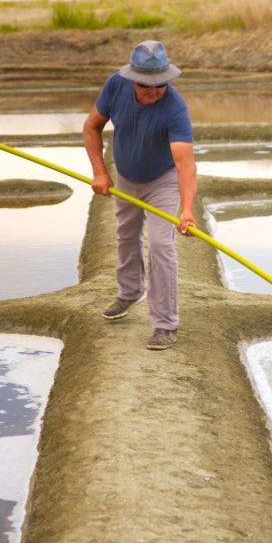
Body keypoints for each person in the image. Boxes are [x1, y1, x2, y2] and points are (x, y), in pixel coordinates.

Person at [83, 40, 197, 351]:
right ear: (132, 78)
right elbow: (91, 127)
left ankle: (165, 324)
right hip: (125, 175)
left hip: (162, 180)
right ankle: (130, 292)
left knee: (161, 246)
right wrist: (99, 172)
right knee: (126, 234)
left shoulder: (175, 108)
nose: (153, 91)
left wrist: (186, 210)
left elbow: (185, 164)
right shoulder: (115, 86)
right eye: (146, 85)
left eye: (160, 84)